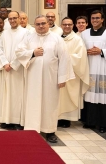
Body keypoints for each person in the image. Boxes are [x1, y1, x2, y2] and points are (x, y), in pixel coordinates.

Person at [15, 15, 74, 143]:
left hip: (51, 78)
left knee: (50, 103)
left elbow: (64, 58)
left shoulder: (57, 39)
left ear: (48, 24)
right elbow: (19, 52)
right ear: (34, 25)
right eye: (38, 24)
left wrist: (62, 78)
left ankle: (50, 131)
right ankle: (32, 129)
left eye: (43, 23)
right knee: (33, 102)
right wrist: (32, 53)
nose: (41, 26)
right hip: (33, 77)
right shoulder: (29, 37)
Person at [80, 10, 106, 133]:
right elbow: (78, 49)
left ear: (102, 19)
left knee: (104, 96)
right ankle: (90, 121)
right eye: (93, 18)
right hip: (89, 69)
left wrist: (101, 51)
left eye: (97, 18)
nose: (95, 20)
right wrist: (85, 52)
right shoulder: (84, 34)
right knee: (90, 94)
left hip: (105, 70)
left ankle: (104, 124)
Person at [58, 17, 90, 128]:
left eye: (69, 24)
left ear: (72, 26)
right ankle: (57, 118)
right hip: (58, 72)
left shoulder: (77, 39)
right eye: (64, 24)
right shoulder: (57, 38)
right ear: (61, 25)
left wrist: (64, 58)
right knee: (59, 96)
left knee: (68, 95)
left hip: (72, 73)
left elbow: (80, 57)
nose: (67, 26)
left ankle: (67, 119)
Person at [0, 11, 27, 129]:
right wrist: (5, 63)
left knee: (18, 95)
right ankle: (5, 119)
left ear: (19, 19)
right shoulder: (4, 33)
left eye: (15, 18)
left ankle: (18, 121)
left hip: (18, 70)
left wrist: (14, 64)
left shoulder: (26, 33)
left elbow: (25, 50)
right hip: (7, 69)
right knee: (6, 94)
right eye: (10, 19)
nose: (12, 20)